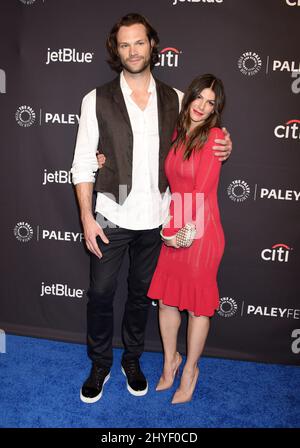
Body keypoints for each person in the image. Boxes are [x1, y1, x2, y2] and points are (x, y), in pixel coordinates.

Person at [71, 12, 232, 404]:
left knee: (142, 296)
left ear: (152, 45)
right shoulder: (95, 99)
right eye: (124, 44)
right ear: (116, 50)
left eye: (139, 42)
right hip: (111, 209)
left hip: (160, 216)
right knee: (101, 293)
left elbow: (201, 138)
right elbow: (82, 162)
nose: (132, 50)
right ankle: (99, 364)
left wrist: (226, 142)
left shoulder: (176, 98)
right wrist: (86, 217)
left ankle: (132, 359)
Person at [147, 73, 226, 404]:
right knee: (166, 301)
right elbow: (173, 188)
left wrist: (183, 234)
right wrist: (169, 232)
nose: (203, 107)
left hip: (201, 231)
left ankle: (190, 370)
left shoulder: (215, 137)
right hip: (175, 224)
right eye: (199, 98)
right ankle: (171, 361)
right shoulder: (178, 132)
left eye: (211, 103)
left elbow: (201, 190)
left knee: (197, 308)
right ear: (190, 96)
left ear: (215, 110)